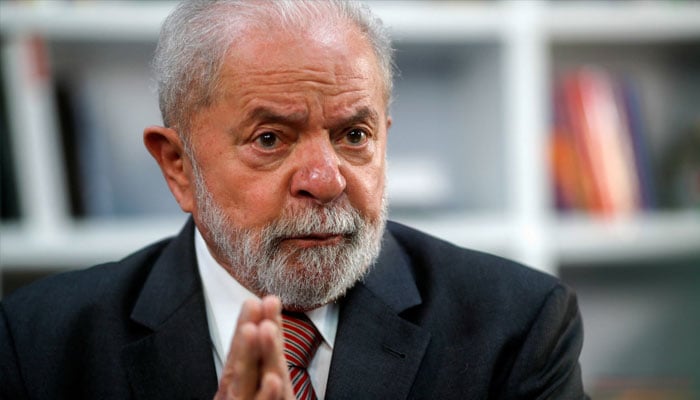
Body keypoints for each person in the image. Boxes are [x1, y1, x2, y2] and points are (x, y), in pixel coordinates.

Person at [0, 1, 588, 399]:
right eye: (270, 139)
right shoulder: (35, 345)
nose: (325, 179)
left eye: (354, 136)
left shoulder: (518, 326)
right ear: (179, 167)